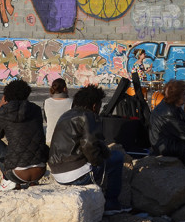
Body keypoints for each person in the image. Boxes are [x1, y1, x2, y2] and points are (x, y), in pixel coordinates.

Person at [48, 86, 129, 214]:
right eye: (99, 106)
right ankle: (112, 203)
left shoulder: (66, 115)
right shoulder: (89, 116)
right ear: (94, 105)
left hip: (57, 173)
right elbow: (89, 145)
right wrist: (98, 163)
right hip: (77, 175)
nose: (99, 109)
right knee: (117, 157)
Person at [0, 78, 48, 192]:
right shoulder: (35, 109)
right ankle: (32, 182)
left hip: (16, 174)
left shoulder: (3, 111)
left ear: (6, 96)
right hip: (40, 170)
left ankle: (8, 179)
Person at [43, 78, 71, 146]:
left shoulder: (47, 102)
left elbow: (46, 119)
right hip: (67, 140)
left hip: (50, 139)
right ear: (64, 89)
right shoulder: (72, 102)